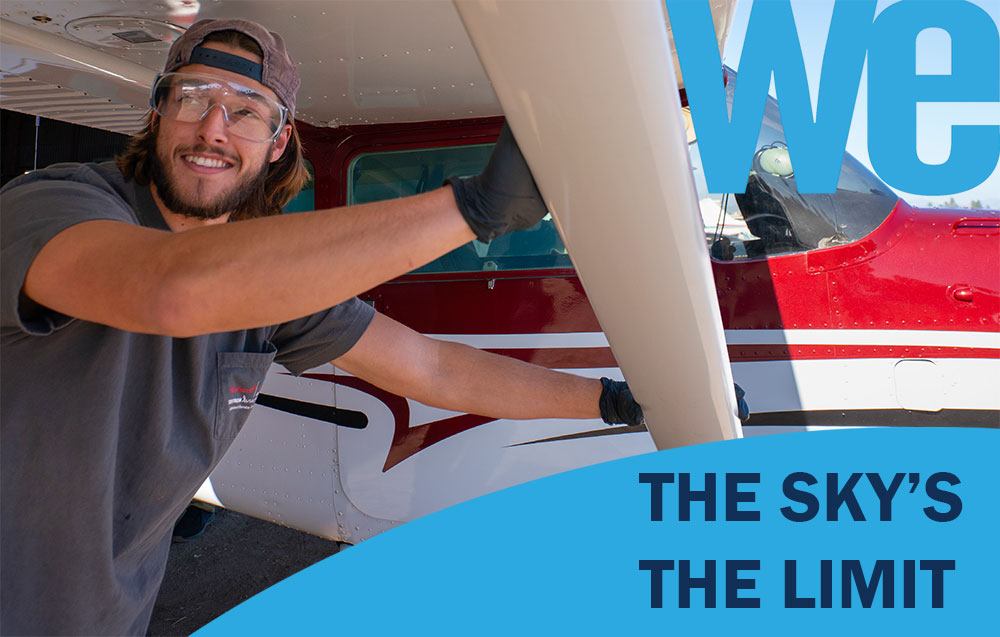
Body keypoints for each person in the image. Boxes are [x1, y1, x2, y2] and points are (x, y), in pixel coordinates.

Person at [0, 18, 644, 636]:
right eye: (192, 97)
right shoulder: (53, 204)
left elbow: (434, 369)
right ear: (156, 114)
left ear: (278, 143)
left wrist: (613, 401)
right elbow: (171, 287)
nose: (213, 128)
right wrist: (471, 209)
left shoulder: (274, 279)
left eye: (248, 110)